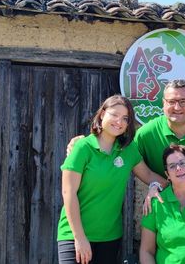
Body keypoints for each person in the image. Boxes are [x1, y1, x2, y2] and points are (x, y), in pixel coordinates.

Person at [57, 95, 167, 264]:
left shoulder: (128, 151)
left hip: (110, 238)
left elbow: (150, 176)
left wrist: (163, 185)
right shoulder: (82, 147)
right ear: (102, 114)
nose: (119, 122)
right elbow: (68, 193)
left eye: (125, 118)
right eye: (114, 115)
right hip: (74, 236)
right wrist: (79, 238)